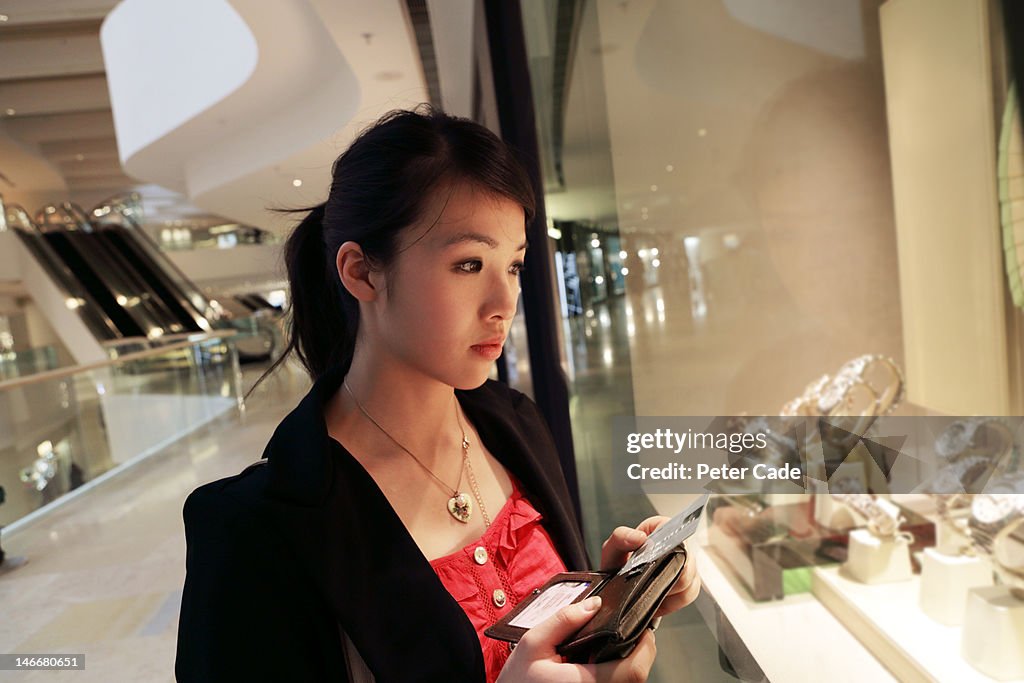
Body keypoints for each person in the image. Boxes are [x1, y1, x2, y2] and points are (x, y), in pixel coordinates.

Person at [174, 107, 700, 682]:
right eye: (469, 264)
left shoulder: (514, 422)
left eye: (516, 265)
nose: (503, 301)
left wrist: (614, 602)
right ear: (363, 273)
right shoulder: (253, 528)